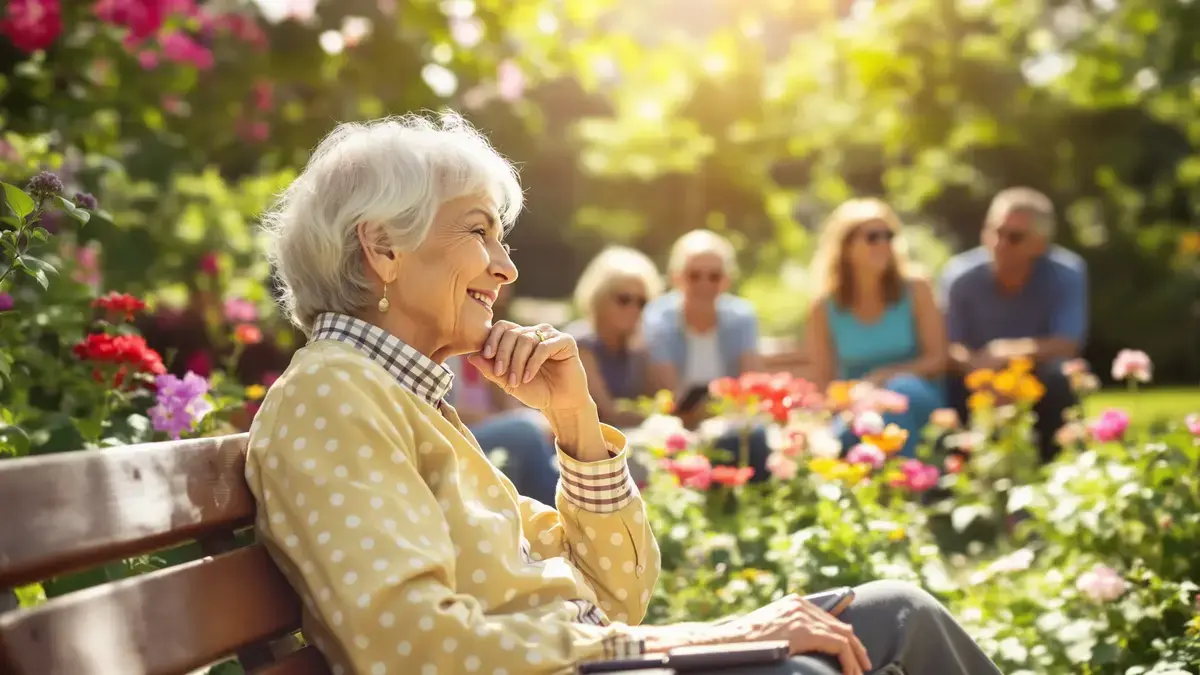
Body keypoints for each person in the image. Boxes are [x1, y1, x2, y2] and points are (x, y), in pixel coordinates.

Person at [246, 113, 1003, 675]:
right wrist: (697, 638)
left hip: (601, 662)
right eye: (481, 232)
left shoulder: (411, 401)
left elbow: (614, 594)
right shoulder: (334, 395)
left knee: (897, 609)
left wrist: (576, 423)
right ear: (382, 248)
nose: (505, 269)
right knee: (819, 665)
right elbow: (409, 643)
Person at [941, 187, 1087, 463]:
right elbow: (948, 344)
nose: (1000, 243)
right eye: (994, 231)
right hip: (975, 374)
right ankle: (952, 479)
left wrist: (1006, 352)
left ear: (1040, 243)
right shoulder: (960, 275)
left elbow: (1068, 342)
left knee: (1063, 376)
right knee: (946, 386)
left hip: (1036, 375)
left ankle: (1054, 469)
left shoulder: (1066, 274)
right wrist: (979, 371)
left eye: (1014, 237)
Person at [804, 199, 948, 457]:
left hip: (917, 398)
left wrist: (885, 377)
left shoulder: (916, 288)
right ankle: (907, 489)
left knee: (897, 398)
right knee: (870, 417)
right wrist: (855, 397)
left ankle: (905, 487)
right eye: (872, 237)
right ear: (846, 247)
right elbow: (823, 381)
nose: (883, 244)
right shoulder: (823, 307)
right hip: (858, 407)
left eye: (889, 236)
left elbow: (937, 359)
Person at [641, 230, 774, 478]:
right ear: (677, 278)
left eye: (714, 276)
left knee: (752, 436)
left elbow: (752, 384)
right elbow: (671, 396)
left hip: (730, 420)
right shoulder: (659, 319)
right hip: (678, 422)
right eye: (694, 275)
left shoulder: (741, 317)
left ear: (726, 280)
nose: (704, 284)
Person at [572, 246, 663, 428]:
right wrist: (661, 419)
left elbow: (658, 399)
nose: (633, 309)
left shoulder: (638, 350)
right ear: (599, 297)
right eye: (624, 299)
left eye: (641, 302)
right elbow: (608, 413)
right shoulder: (579, 346)